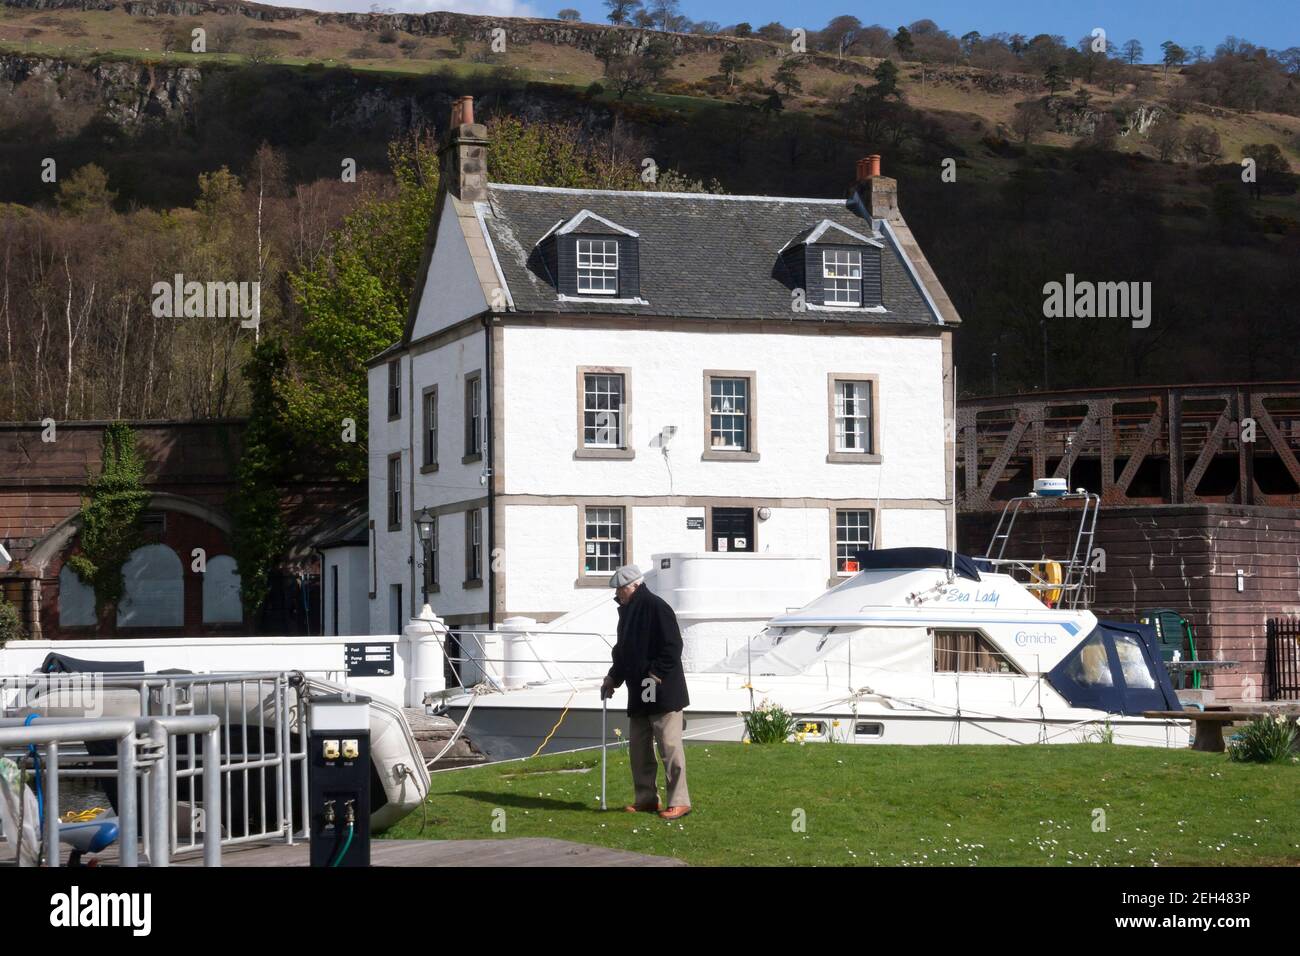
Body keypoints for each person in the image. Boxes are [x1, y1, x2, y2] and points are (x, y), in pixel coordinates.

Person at [600, 564, 691, 820]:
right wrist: (613, 678)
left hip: (661, 692)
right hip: (639, 693)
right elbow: (623, 652)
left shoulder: (656, 607)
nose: (617, 595)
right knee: (639, 750)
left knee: (669, 747)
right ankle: (646, 799)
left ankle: (680, 801)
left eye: (620, 589)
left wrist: (655, 675)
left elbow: (673, 646)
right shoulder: (627, 611)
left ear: (634, 586)